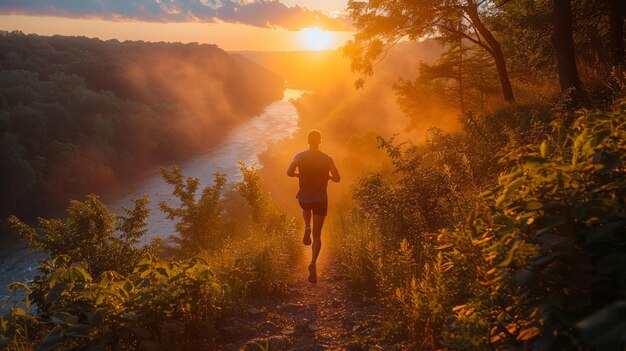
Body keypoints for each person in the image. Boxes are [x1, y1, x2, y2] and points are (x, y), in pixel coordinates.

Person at [287, 130, 340, 284]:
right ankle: (313, 263)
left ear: (307, 140)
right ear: (320, 141)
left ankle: (307, 226)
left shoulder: (299, 156)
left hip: (304, 198)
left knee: (305, 208)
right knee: (317, 236)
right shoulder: (327, 158)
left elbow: (289, 172)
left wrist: (299, 175)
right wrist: (328, 176)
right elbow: (337, 178)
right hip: (320, 200)